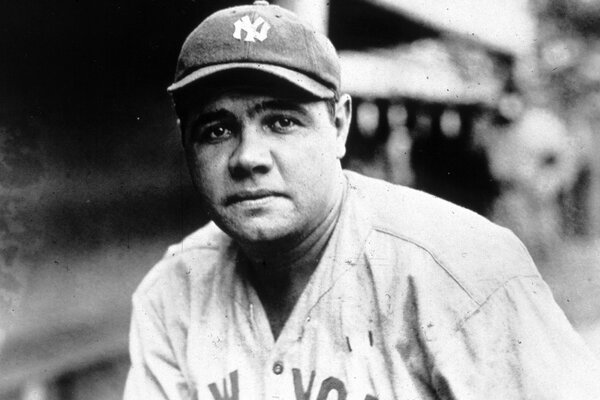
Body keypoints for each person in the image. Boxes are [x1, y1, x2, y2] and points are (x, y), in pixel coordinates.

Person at [124, 2, 600, 399]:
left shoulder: (462, 272)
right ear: (187, 145)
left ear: (339, 126)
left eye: (281, 121)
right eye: (217, 129)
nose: (248, 157)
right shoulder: (171, 294)